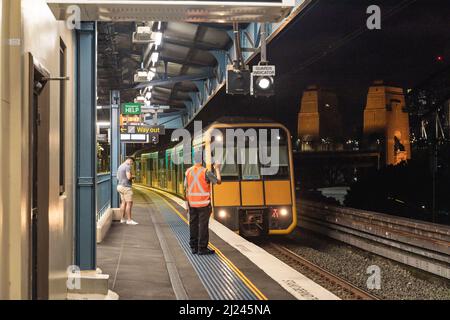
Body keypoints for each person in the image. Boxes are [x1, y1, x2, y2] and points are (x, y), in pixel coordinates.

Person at [184, 151, 221, 255]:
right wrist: (217, 168)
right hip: (204, 204)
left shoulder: (188, 172)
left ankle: (193, 247)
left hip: (192, 203)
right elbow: (218, 181)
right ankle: (202, 248)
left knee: (193, 225)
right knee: (203, 226)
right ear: (202, 160)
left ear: (193, 159)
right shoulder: (206, 172)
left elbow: (185, 187)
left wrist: (187, 203)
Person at [117, 156, 138, 225]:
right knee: (129, 203)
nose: (131, 164)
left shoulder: (120, 166)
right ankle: (129, 220)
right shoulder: (127, 166)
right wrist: (133, 176)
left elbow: (118, 177)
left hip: (120, 186)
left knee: (123, 203)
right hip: (126, 187)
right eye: (131, 163)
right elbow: (128, 177)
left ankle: (122, 219)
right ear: (129, 160)